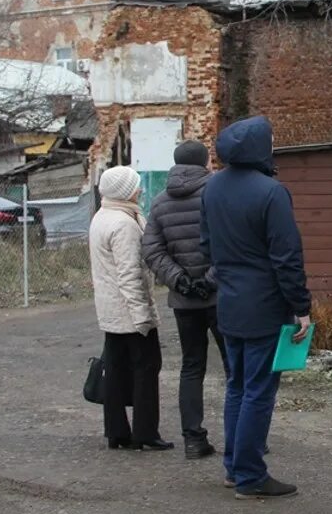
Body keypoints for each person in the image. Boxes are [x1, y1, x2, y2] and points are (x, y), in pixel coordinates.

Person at [200, 116, 312, 500]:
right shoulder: (271, 192)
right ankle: (249, 475)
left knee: (237, 386)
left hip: (229, 302)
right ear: (260, 147)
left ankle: (234, 467)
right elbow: (287, 255)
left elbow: (206, 246)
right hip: (264, 305)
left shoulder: (212, 187)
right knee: (258, 392)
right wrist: (301, 306)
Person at [142, 140, 228, 460]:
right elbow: (229, 241)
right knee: (235, 367)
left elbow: (152, 250)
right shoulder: (217, 194)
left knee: (192, 368)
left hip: (184, 301)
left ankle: (193, 439)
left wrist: (180, 281)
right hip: (220, 297)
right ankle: (242, 438)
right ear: (205, 162)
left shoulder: (161, 202)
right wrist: (210, 281)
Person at [89, 165, 173, 452]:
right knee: (146, 368)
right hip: (128, 310)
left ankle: (116, 431)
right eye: (136, 186)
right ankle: (145, 431)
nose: (141, 190)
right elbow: (130, 273)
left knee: (114, 369)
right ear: (126, 192)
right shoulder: (124, 223)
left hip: (110, 309)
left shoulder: (102, 216)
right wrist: (142, 315)